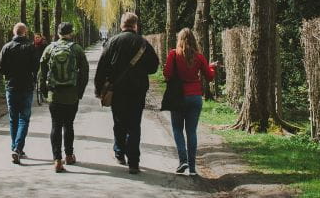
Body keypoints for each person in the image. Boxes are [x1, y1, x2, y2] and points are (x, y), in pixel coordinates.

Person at [94, 12, 159, 174]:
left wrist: (99, 88)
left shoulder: (112, 42)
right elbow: (153, 67)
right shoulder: (143, 43)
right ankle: (134, 162)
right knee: (134, 125)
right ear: (135, 25)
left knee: (119, 121)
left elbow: (102, 66)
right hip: (138, 90)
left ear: (122, 25)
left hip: (118, 90)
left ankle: (119, 153)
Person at [38, 22, 90, 173]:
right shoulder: (77, 48)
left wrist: (44, 90)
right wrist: (79, 91)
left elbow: (41, 70)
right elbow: (85, 72)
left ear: (58, 33)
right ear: (71, 33)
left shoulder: (50, 48)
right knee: (69, 124)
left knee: (55, 125)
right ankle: (69, 155)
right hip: (71, 94)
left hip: (54, 95)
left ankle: (57, 160)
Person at [164, 28, 216, 176]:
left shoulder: (173, 54)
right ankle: (192, 169)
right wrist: (212, 67)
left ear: (179, 39)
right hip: (195, 97)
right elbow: (209, 76)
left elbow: (167, 74)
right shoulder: (199, 57)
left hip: (178, 97)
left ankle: (183, 160)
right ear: (193, 39)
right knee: (191, 131)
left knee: (177, 129)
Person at [0, 22, 38, 164]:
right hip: (26, 87)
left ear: (14, 33)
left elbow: (0, 68)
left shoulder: (6, 47)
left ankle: (15, 147)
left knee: (13, 118)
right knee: (24, 118)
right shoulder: (31, 47)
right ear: (25, 33)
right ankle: (18, 148)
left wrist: (9, 75)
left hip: (11, 87)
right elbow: (36, 66)